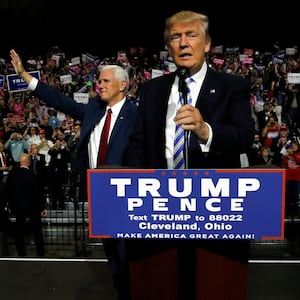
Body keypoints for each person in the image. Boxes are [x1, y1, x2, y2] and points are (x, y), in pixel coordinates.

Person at [123, 10, 255, 300]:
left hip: (214, 215)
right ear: (168, 47)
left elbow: (244, 136)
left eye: (191, 35)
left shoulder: (232, 86)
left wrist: (205, 129)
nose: (183, 43)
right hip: (160, 214)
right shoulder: (152, 90)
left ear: (207, 44)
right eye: (175, 37)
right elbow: (137, 146)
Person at [10, 49, 138, 300]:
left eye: (104, 81)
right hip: (97, 193)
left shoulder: (136, 115)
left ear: (122, 85)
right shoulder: (93, 109)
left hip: (125, 195)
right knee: (112, 251)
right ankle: (123, 291)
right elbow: (59, 100)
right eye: (98, 81)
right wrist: (25, 75)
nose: (98, 85)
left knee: (127, 255)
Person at [6, 153, 47, 256]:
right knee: (37, 230)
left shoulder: (12, 175)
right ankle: (40, 252)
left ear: (20, 161)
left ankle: (20, 251)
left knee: (19, 230)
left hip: (18, 207)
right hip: (33, 207)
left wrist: (11, 206)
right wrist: (42, 207)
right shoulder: (33, 175)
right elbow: (39, 192)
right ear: (28, 162)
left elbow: (8, 192)